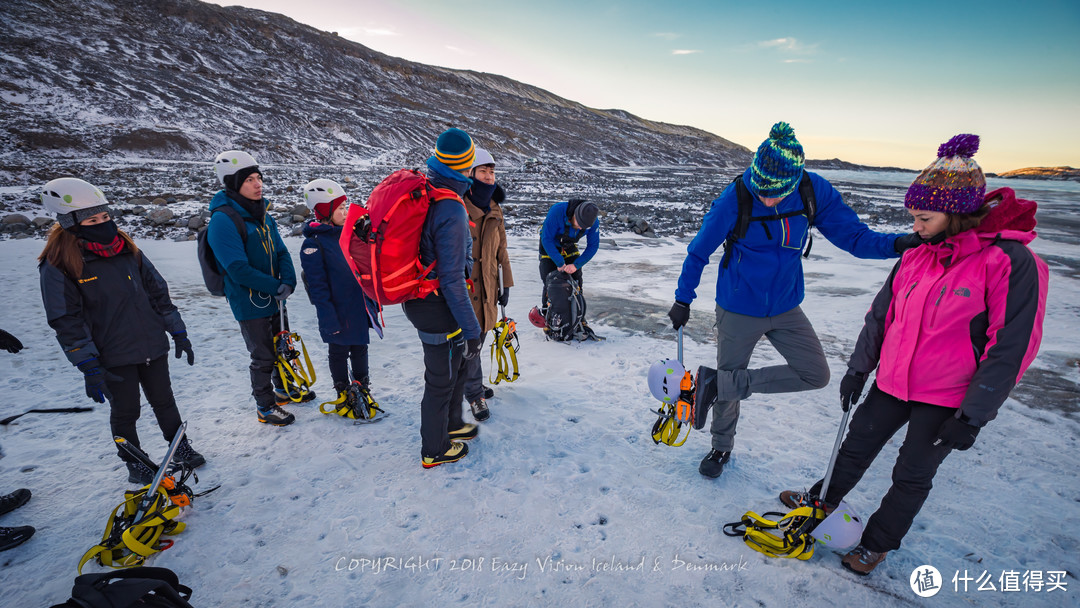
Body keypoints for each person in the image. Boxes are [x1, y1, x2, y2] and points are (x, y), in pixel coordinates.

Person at [779, 135, 1048, 575]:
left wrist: (973, 416)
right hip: (893, 381)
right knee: (854, 448)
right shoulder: (918, 254)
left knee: (911, 474)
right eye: (914, 217)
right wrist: (858, 370)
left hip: (948, 398)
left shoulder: (1008, 261)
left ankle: (876, 544)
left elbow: (1012, 346)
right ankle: (819, 503)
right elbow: (881, 316)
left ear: (956, 213)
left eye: (924, 217)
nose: (915, 227)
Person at [668, 122, 924, 479]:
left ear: (792, 181)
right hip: (738, 306)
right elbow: (699, 252)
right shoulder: (737, 196)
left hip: (786, 306)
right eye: (762, 191)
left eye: (774, 193)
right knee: (728, 387)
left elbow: (853, 236)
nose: (767, 199)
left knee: (814, 373)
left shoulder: (811, 191)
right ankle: (720, 447)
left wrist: (896, 244)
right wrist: (683, 299)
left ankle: (718, 383)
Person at [38, 178, 204, 485]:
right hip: (112, 355)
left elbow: (158, 294)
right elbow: (65, 320)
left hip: (151, 344)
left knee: (164, 400)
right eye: (92, 219)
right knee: (126, 412)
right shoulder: (59, 265)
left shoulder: (127, 248)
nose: (102, 224)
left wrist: (177, 331)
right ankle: (135, 462)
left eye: (105, 216)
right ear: (71, 224)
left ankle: (179, 445)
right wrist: (87, 363)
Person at [400, 128, 483, 468]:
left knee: (457, 367)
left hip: (426, 299)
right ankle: (433, 449)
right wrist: (473, 328)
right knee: (439, 379)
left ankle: (451, 425)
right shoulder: (449, 208)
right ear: (466, 165)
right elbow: (451, 279)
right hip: (435, 304)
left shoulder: (429, 188)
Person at [207, 150, 306, 427]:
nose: (258, 184)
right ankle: (265, 405)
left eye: (259, 178)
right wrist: (277, 285)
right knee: (263, 354)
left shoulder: (262, 214)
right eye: (250, 179)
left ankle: (284, 388)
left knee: (281, 345)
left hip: (275, 297)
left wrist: (289, 279)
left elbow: (281, 251)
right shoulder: (223, 220)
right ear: (233, 183)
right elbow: (236, 268)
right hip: (249, 300)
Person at [299, 178, 382, 405]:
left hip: (357, 306)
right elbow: (317, 286)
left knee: (360, 348)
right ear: (325, 210)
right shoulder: (313, 244)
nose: (345, 213)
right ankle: (343, 392)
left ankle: (362, 388)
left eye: (345, 207)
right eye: (341, 208)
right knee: (338, 351)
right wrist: (328, 317)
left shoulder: (348, 235)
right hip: (336, 310)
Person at [461, 148, 513, 422]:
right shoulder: (457, 204)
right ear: (470, 174)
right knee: (470, 340)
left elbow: (502, 249)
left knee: (478, 338)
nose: (489, 176)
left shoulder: (494, 207)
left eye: (492, 172)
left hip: (489, 285)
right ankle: (474, 395)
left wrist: (506, 285)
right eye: (483, 171)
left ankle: (472, 384)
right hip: (465, 287)